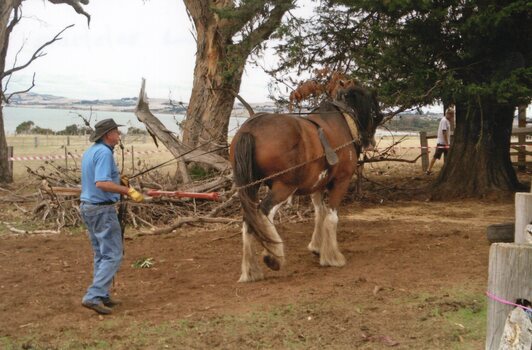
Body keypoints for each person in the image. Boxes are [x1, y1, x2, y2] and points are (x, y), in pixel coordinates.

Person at [80, 118, 144, 315]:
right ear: (108, 134)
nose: (119, 135)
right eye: (116, 132)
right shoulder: (104, 153)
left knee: (102, 254)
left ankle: (102, 295)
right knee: (114, 254)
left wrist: (117, 180)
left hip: (89, 208)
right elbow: (101, 183)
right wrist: (127, 190)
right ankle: (93, 296)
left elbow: (99, 180)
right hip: (102, 210)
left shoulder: (91, 151)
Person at [426, 107, 454, 175]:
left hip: (445, 143)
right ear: (448, 114)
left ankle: (446, 171)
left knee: (447, 157)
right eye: (451, 115)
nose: (452, 117)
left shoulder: (446, 121)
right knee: (436, 156)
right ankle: (428, 170)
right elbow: (444, 133)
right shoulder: (444, 121)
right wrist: (447, 144)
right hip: (442, 143)